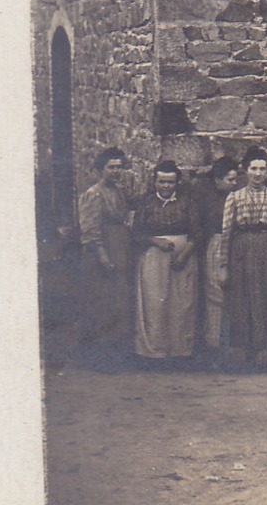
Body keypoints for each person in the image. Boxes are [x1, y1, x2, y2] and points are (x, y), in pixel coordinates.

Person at [220, 147, 267, 368]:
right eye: (254, 168)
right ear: (246, 170)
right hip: (242, 251)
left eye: (262, 169)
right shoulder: (234, 196)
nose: (258, 174)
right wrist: (223, 265)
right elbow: (226, 233)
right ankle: (244, 356)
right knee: (243, 301)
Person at [131, 160, 200, 361]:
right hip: (153, 258)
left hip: (183, 258)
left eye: (170, 182)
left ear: (177, 182)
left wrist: (184, 255)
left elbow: (198, 233)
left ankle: (179, 352)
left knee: (182, 303)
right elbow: (136, 234)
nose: (166, 186)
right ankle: (154, 352)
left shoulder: (187, 203)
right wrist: (155, 241)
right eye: (162, 182)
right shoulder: (146, 204)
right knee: (155, 303)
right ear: (155, 182)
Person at [77, 148, 134, 360]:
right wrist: (103, 257)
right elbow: (90, 230)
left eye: (119, 167)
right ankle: (100, 356)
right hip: (103, 252)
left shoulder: (118, 191)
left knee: (119, 301)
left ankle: (117, 353)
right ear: (101, 169)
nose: (116, 172)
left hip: (119, 248)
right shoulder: (93, 194)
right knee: (103, 303)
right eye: (111, 168)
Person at [193, 157, 240, 353]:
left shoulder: (237, 196)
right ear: (217, 180)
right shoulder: (206, 199)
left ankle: (232, 342)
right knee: (214, 293)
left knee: (233, 293)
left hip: (236, 246)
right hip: (215, 245)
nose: (234, 184)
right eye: (230, 180)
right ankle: (214, 343)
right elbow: (198, 225)